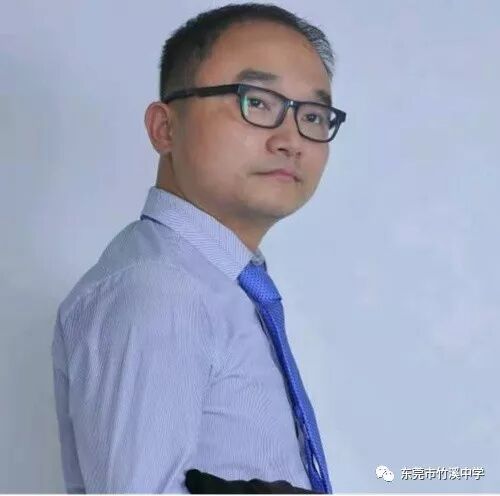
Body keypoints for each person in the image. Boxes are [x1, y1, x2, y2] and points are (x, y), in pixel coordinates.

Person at [51, 2, 346, 493]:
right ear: (165, 128)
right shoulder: (159, 289)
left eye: (313, 115)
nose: (291, 139)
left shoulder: (220, 285)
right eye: (258, 102)